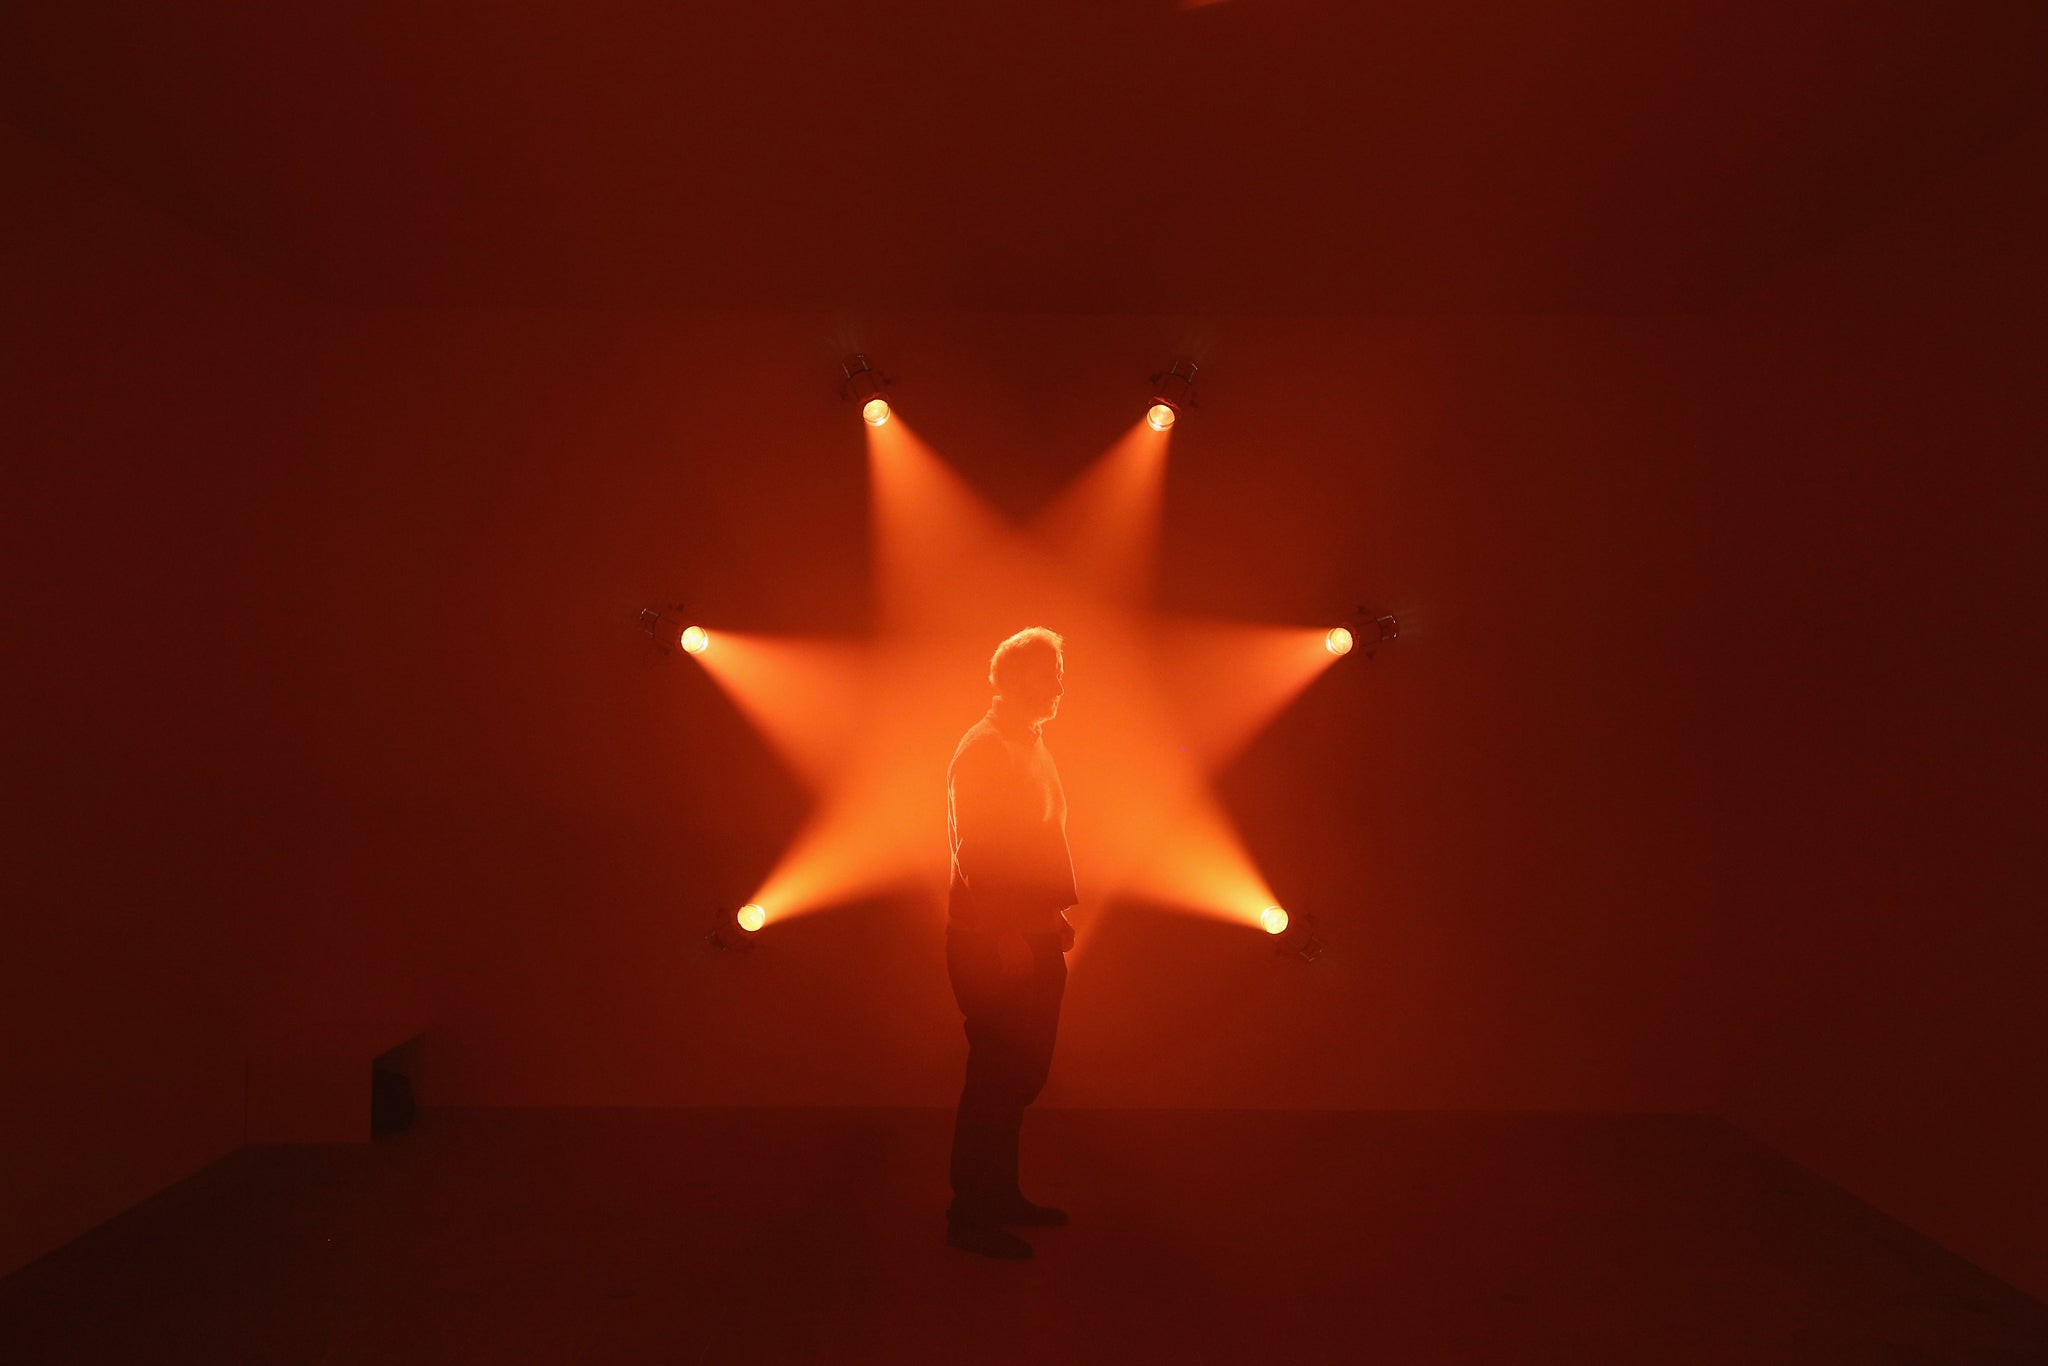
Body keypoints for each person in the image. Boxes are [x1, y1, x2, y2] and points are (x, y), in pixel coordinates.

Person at [942, 626, 1079, 1259]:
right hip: (998, 941)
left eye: (1057, 672)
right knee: (1000, 1076)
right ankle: (973, 1213)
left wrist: (1050, 920)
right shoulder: (987, 750)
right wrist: (1006, 934)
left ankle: (995, 1198)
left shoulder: (1025, 744)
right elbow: (980, 854)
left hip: (1025, 934)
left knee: (1014, 1075)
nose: (1057, 685)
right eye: (1048, 673)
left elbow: (1035, 845)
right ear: (1014, 678)